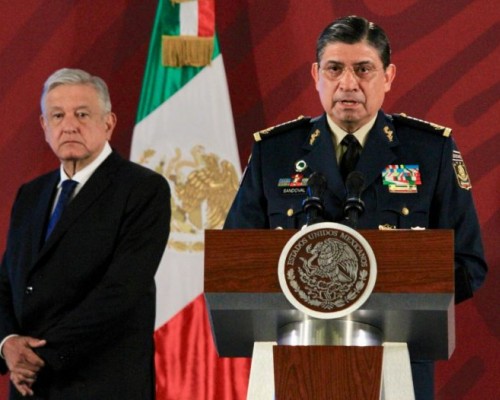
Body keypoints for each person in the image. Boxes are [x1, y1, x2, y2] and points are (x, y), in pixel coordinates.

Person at [224, 15, 487, 400]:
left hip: (397, 364)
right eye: (334, 69)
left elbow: (468, 262)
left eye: (363, 69)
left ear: (388, 76)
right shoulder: (275, 152)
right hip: (294, 362)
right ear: (316, 75)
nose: (348, 84)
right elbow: (235, 263)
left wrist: (403, 298)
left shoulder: (429, 151)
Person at [0, 68, 171, 399]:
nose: (69, 126)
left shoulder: (142, 189)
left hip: (101, 385)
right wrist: (8, 343)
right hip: (30, 386)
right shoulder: (30, 195)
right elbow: (8, 281)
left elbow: (121, 291)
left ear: (108, 123)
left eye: (82, 114)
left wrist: (39, 356)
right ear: (44, 126)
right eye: (58, 116)